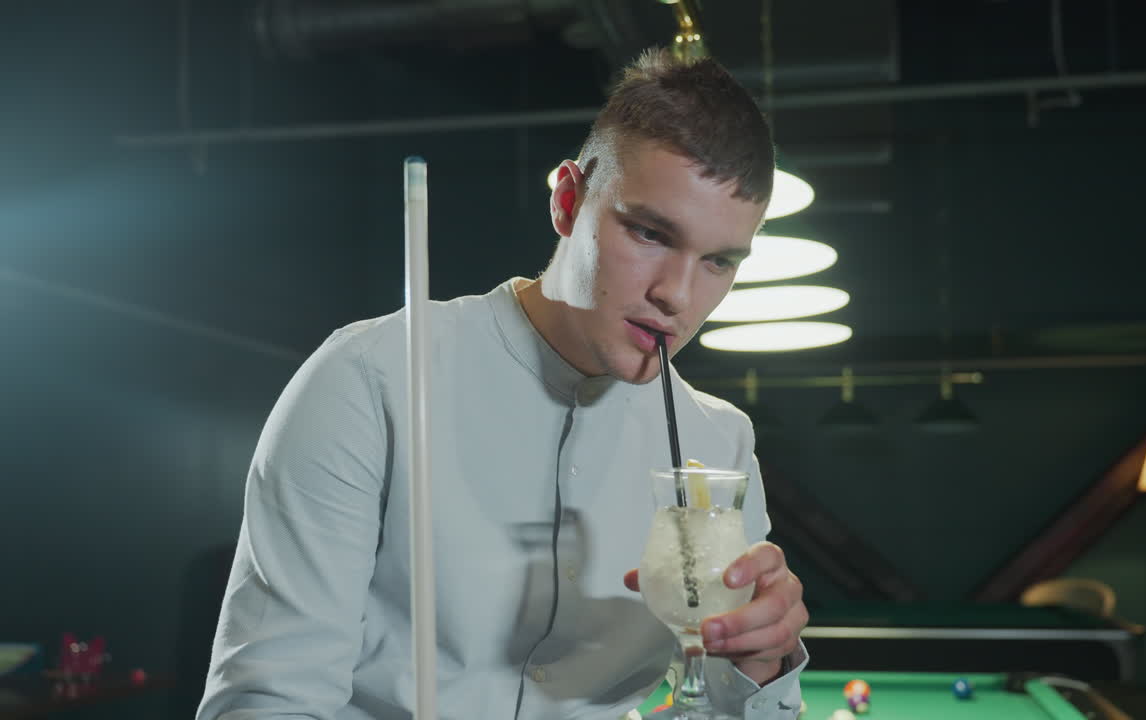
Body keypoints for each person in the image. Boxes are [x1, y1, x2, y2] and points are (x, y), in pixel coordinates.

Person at [196, 47, 809, 720]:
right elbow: (268, 702)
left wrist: (759, 664)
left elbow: (726, 708)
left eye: (719, 262)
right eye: (650, 233)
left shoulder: (718, 444)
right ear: (569, 201)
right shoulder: (371, 378)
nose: (678, 295)